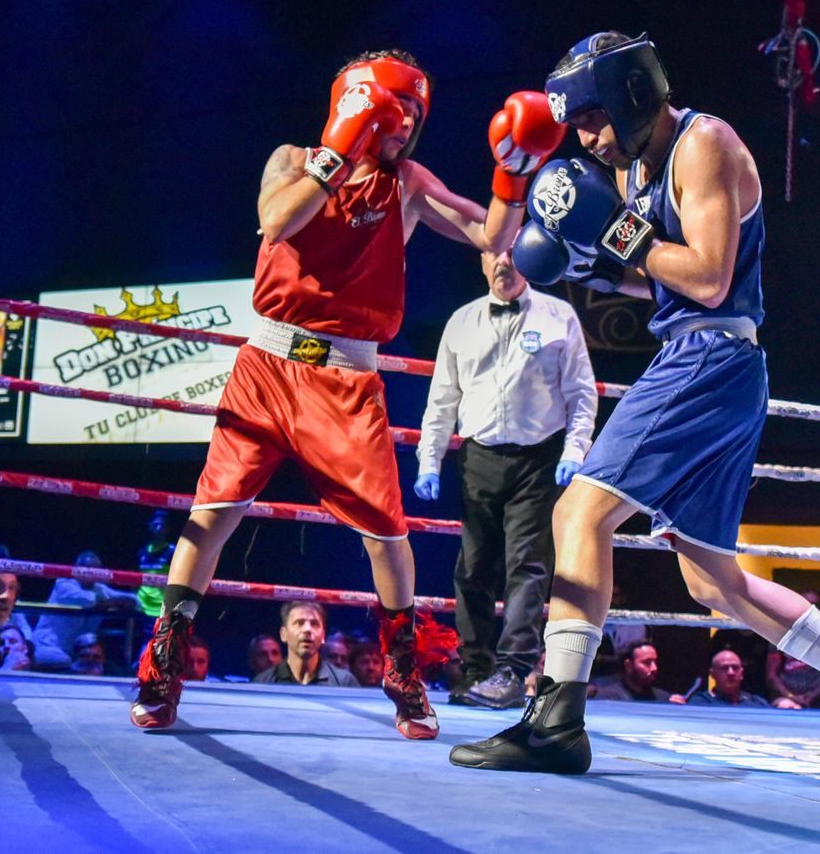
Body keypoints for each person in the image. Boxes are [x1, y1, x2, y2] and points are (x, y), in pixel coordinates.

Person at [451, 32, 820, 775]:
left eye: (589, 119)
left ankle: (556, 719)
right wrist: (597, 270)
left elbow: (707, 278)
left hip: (709, 355)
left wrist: (611, 229)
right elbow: (666, 278)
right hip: (713, 360)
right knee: (711, 581)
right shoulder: (642, 167)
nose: (584, 137)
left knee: (578, 513)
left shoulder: (705, 144)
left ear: (630, 94)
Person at [128, 50, 564, 739]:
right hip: (268, 363)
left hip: (347, 378)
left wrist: (513, 176)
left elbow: (489, 236)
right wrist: (338, 149)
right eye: (396, 112)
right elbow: (278, 221)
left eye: (414, 116)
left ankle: (401, 674)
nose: (404, 127)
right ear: (356, 102)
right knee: (211, 516)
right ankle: (164, 662)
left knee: (388, 537)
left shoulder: (408, 183)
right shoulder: (293, 160)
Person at [415, 240, 597, 709]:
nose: (503, 262)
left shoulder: (559, 317)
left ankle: (513, 672)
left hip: (539, 460)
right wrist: (429, 461)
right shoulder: (462, 321)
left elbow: (581, 393)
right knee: (472, 569)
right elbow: (442, 399)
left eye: (513, 254)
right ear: (481, 260)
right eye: (494, 253)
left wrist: (575, 451)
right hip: (478, 457)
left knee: (528, 568)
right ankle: (475, 671)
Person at [32, 551, 140, 663]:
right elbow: (89, 600)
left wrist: (111, 602)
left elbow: (134, 601)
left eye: (95, 570)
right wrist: (112, 602)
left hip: (76, 652)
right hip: (48, 646)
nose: (90, 573)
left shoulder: (100, 589)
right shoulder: (64, 584)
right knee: (62, 661)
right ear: (77, 568)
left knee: (101, 664)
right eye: (87, 568)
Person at [253, 602, 359, 687]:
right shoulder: (263, 682)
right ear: (283, 634)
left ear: (323, 636)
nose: (307, 629)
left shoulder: (344, 682)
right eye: (299, 623)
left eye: (314, 624)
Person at [589, 639, 674, 702]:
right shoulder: (607, 698)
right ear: (628, 666)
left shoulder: (664, 698)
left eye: (655, 662)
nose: (654, 668)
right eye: (647, 662)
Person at [685, 649, 771, 707]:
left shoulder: (757, 703)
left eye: (735, 668)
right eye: (724, 668)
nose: (731, 673)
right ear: (712, 674)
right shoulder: (699, 704)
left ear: (741, 673)